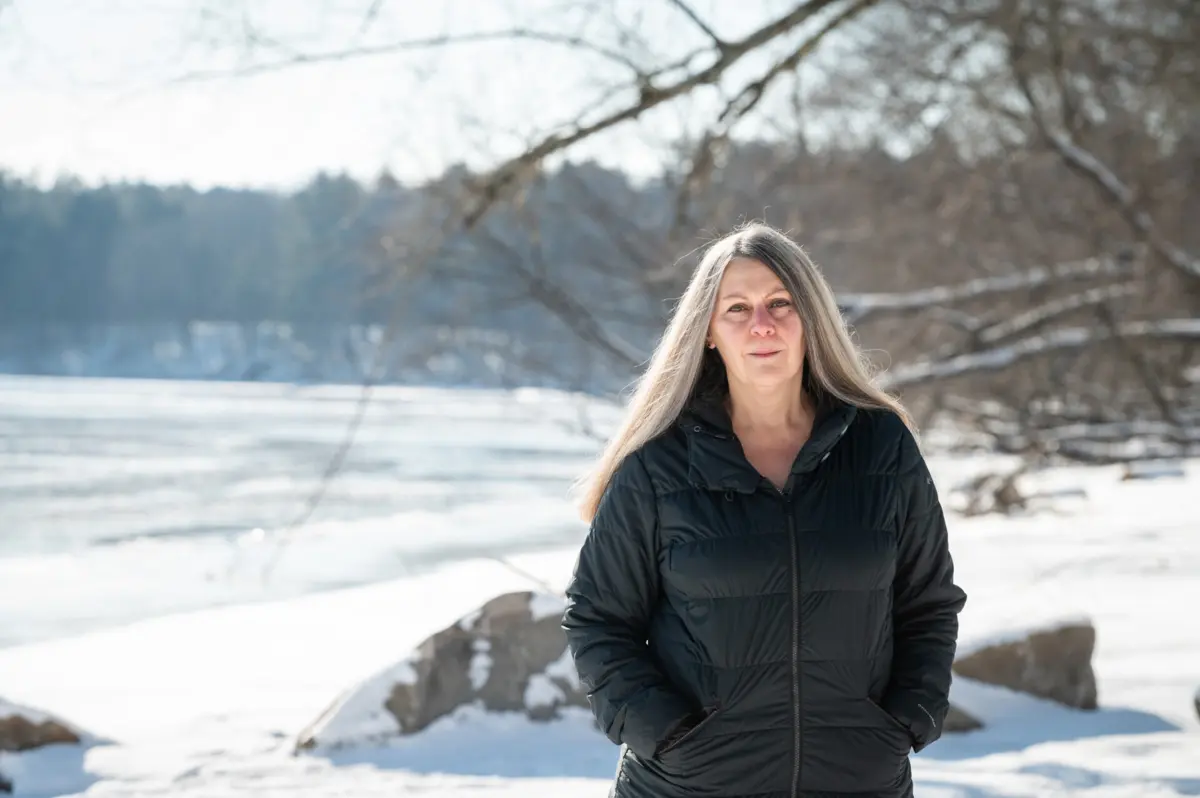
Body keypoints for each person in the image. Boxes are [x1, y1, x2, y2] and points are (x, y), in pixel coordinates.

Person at [561, 222, 967, 798]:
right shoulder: (658, 467)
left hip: (856, 782)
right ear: (707, 332)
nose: (763, 324)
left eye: (780, 303)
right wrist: (667, 736)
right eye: (737, 308)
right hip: (690, 787)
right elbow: (598, 620)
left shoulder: (880, 448)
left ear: (811, 318)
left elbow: (928, 603)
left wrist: (906, 721)